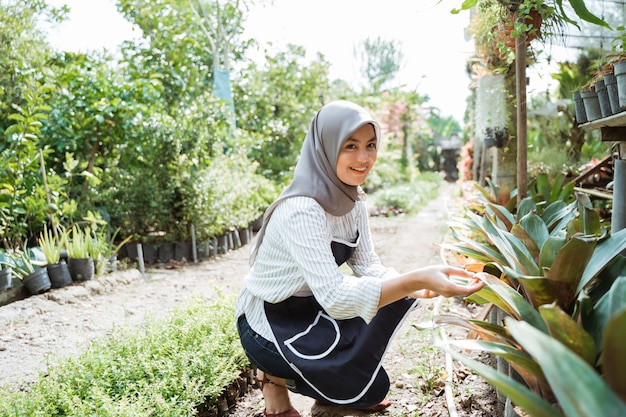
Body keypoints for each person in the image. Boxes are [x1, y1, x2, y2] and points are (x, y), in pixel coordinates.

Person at [235, 100, 484, 417]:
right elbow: (336, 298)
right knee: (359, 360)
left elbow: (368, 267)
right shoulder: (302, 209)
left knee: (369, 386)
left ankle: (319, 387)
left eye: (370, 145)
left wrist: (413, 287)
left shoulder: (353, 201)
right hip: (269, 321)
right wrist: (415, 278)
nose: (364, 158)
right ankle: (273, 381)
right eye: (350, 146)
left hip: (311, 308)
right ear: (325, 147)